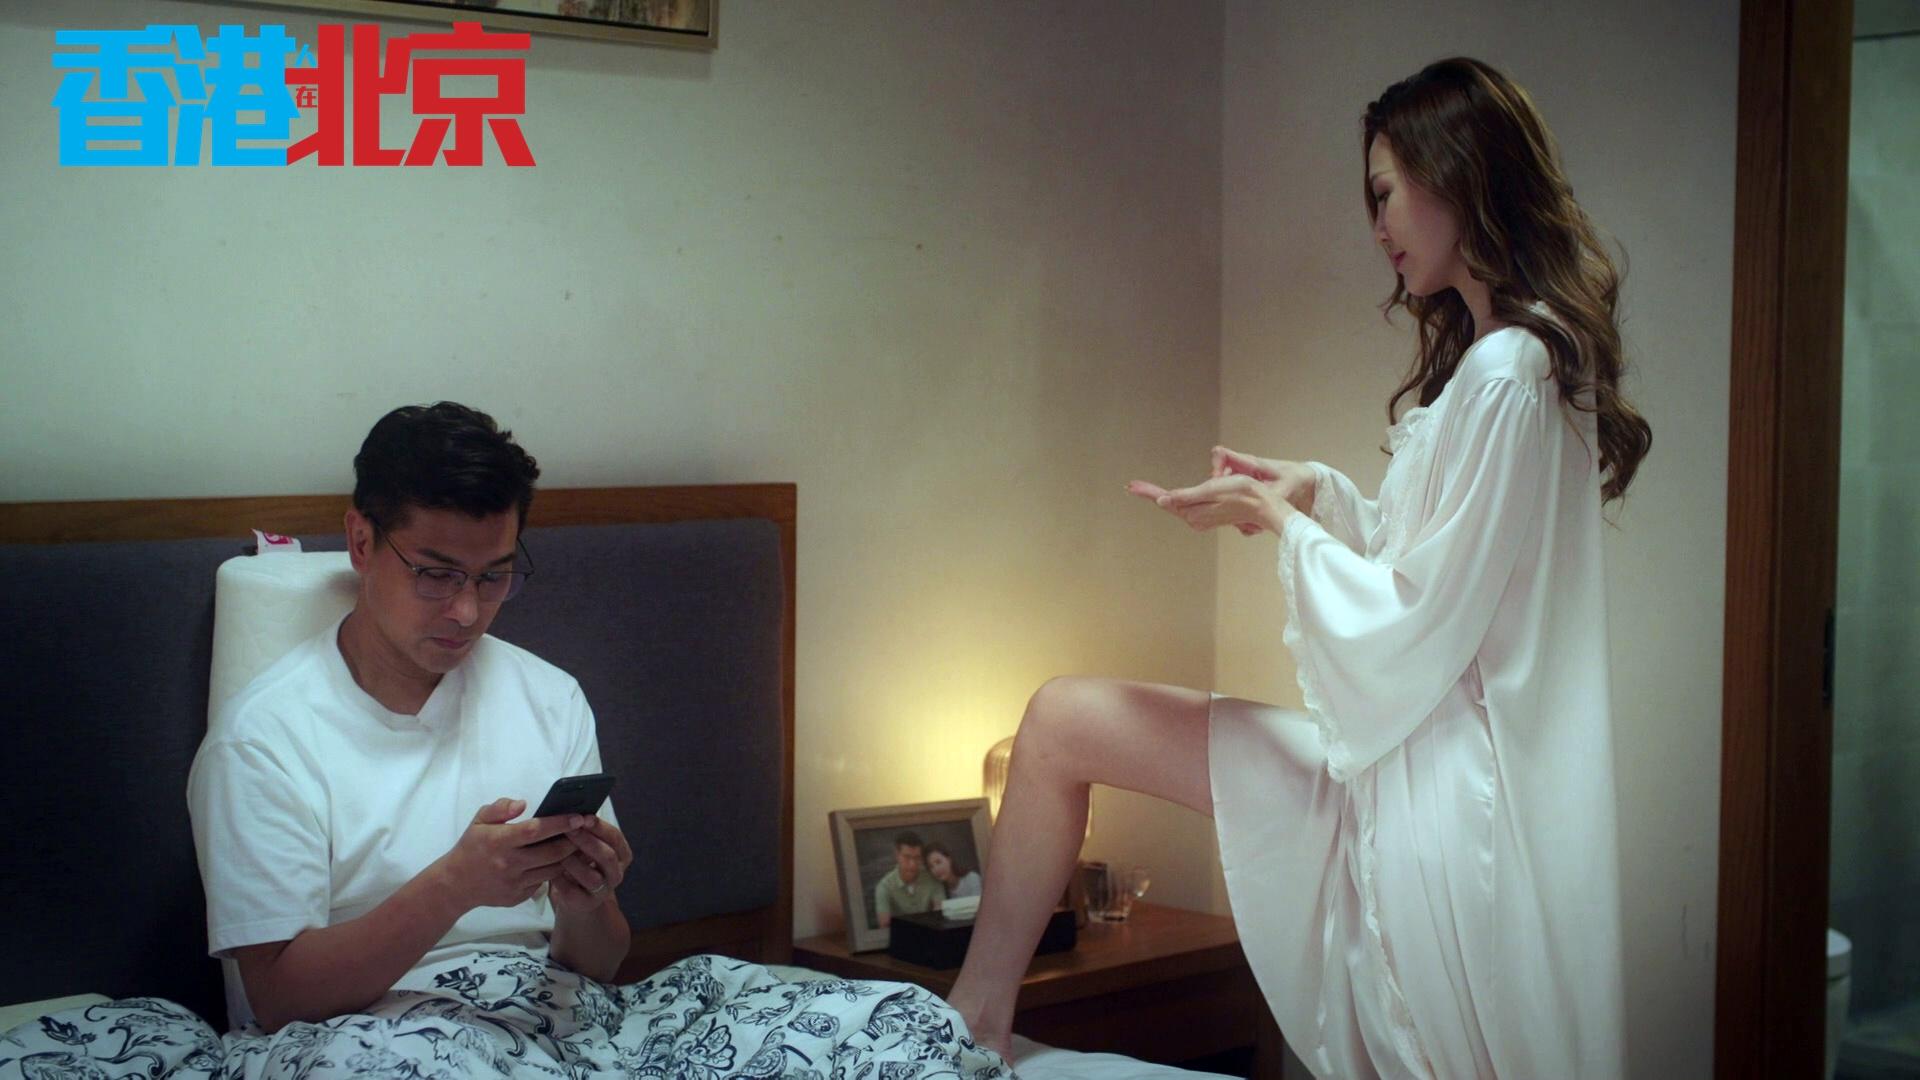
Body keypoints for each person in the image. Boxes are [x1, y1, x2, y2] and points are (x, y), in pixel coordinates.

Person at [946, 57, 1649, 1080]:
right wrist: (1312, 494)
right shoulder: (1510, 359)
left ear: (1454, 174)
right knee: (1060, 722)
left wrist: (1281, 523)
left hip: (1430, 794)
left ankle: (972, 1028)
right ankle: (975, 1027)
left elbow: (1420, 616)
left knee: (1060, 722)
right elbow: (1440, 570)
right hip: (1425, 771)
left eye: (1385, 193)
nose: (1378, 227)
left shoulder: (1507, 368)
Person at [187, 402, 633, 1033]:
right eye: (436, 574)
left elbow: (602, 966)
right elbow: (280, 1000)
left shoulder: (551, 699)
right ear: (361, 542)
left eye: (493, 577)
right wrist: (454, 886)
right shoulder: (263, 740)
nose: (466, 612)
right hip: (367, 1039)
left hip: (542, 1019)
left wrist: (586, 903)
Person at [873, 831, 946, 926]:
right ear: (897, 855)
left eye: (917, 858)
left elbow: (940, 914)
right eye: (907, 857)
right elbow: (884, 924)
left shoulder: (932, 877)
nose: (912, 864)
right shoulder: (884, 887)